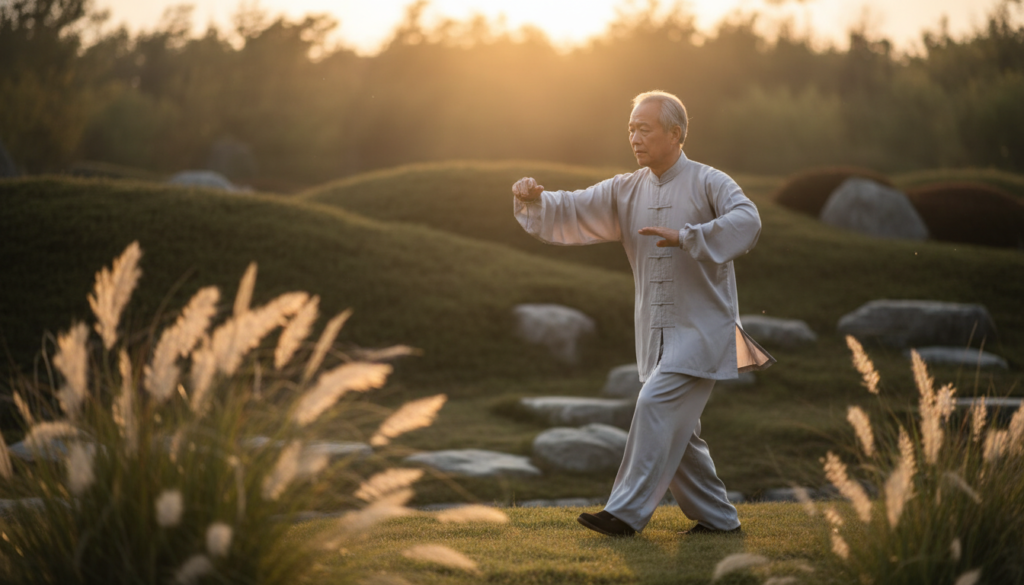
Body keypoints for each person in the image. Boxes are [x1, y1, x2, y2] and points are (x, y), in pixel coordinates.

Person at [511, 90, 775, 537]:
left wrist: (689, 236)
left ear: (676, 133)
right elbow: (573, 206)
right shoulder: (625, 188)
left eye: (644, 128)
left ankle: (625, 514)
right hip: (654, 335)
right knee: (681, 438)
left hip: (704, 332)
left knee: (654, 406)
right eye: (630, 129)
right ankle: (719, 519)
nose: (634, 137)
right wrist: (535, 199)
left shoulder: (710, 181)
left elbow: (747, 221)